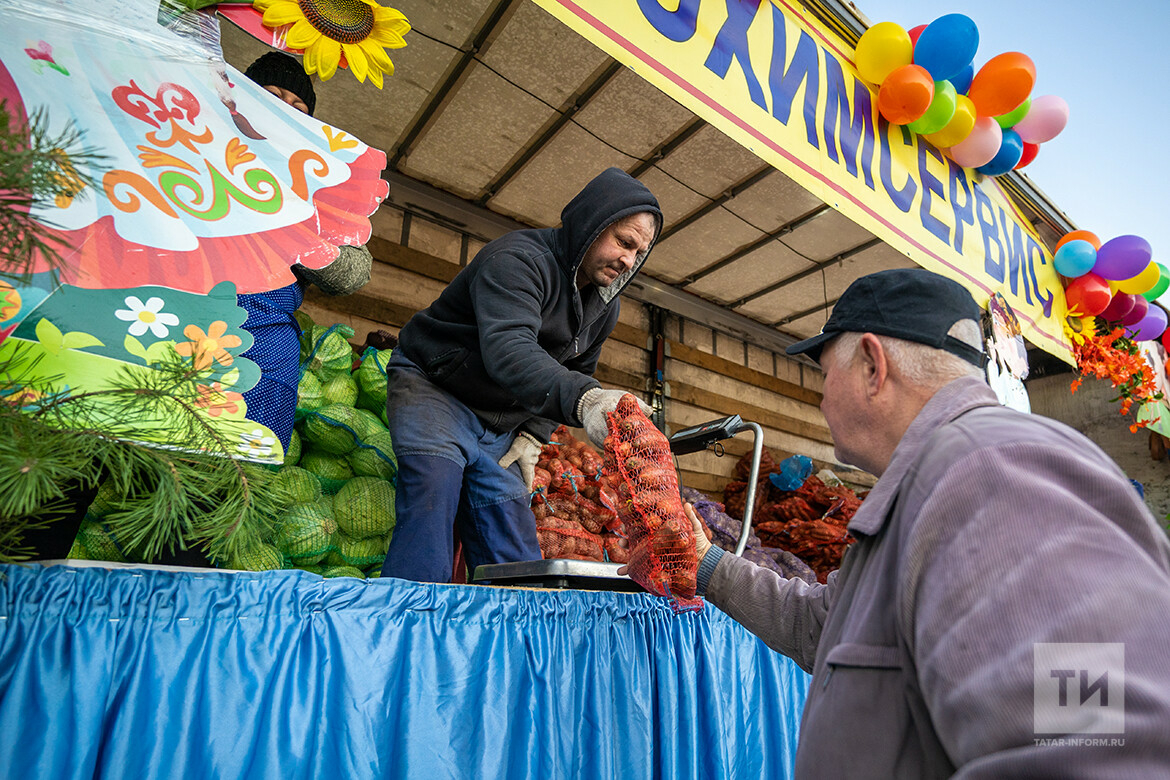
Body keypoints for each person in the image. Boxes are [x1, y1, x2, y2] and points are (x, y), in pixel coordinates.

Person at [684, 268, 1170, 777]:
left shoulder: (994, 472)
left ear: (873, 365)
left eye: (825, 375)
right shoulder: (934, 485)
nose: (820, 399)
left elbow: (1095, 744)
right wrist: (705, 562)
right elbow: (822, 626)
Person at [381, 167, 662, 583]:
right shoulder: (517, 260)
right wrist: (587, 400)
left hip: (500, 424)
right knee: (431, 501)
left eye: (639, 254)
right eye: (624, 242)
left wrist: (534, 432)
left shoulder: (605, 305)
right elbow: (509, 352)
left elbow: (577, 367)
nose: (628, 260)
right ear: (592, 224)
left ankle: (512, 643)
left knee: (514, 551)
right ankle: (404, 629)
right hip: (435, 389)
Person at [236, 52, 373, 450]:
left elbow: (355, 271)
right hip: (172, 316)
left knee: (236, 478)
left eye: (298, 106)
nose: (285, 109)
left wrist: (301, 238)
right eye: (272, 94)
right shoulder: (191, 146)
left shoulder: (320, 183)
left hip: (261, 340)